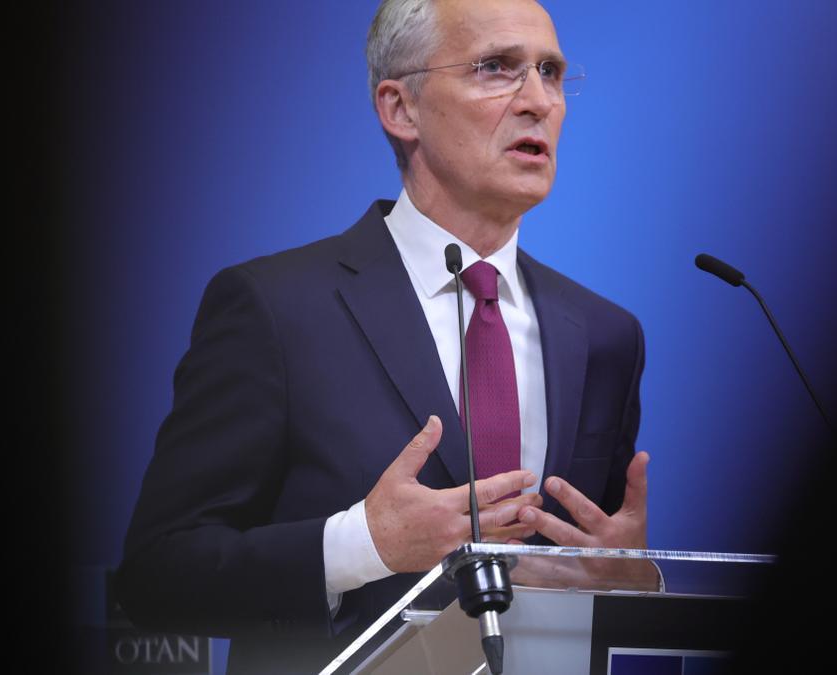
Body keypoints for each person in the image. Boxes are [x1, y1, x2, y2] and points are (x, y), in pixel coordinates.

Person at [117, 1, 654, 672]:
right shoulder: (276, 309)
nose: (539, 101)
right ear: (401, 109)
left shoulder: (606, 336)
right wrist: (362, 545)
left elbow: (587, 588)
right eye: (498, 68)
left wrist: (630, 586)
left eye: (550, 71)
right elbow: (155, 576)